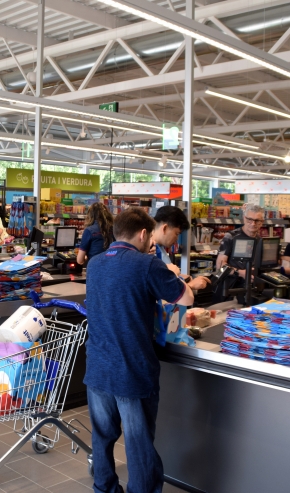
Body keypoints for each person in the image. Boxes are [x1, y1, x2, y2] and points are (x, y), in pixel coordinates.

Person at [85, 208, 194, 493]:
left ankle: (104, 488)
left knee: (102, 438)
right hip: (133, 370)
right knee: (138, 443)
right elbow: (187, 297)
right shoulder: (147, 265)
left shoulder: (95, 264)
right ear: (144, 233)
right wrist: (173, 274)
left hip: (97, 367)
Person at [152, 205, 210, 290]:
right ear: (164, 228)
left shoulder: (160, 248)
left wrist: (183, 278)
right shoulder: (147, 251)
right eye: (176, 233)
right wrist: (190, 286)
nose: (177, 239)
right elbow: (157, 287)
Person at [215, 204, 264, 298]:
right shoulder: (231, 237)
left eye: (257, 220)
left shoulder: (260, 240)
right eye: (249, 219)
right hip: (229, 290)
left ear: (262, 222)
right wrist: (240, 272)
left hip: (250, 290)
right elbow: (220, 266)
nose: (253, 223)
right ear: (244, 218)